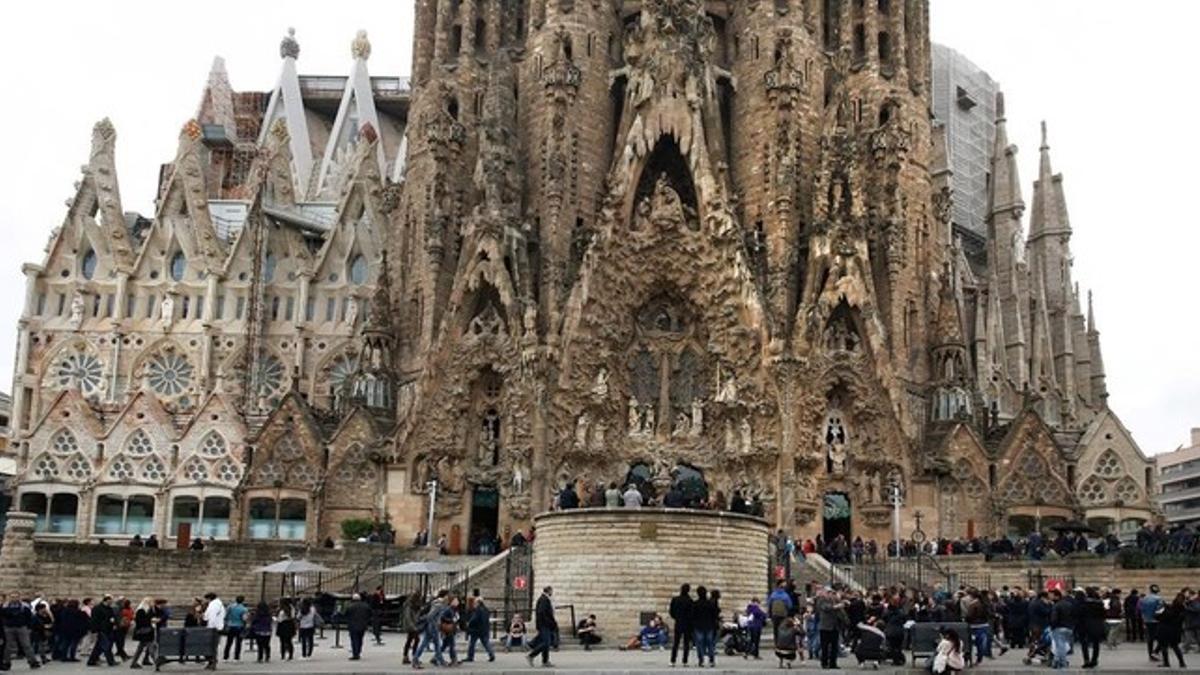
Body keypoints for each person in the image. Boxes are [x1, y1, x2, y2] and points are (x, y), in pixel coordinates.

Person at [2, 593, 42, 670]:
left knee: (27, 645)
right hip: (9, 627)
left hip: (22, 627)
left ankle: (32, 661)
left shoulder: (24, 606)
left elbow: (29, 617)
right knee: (8, 646)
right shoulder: (5, 606)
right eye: (12, 597)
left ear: (19, 597)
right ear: (10, 598)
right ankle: (7, 662)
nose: (14, 599)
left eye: (16, 597)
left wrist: (28, 627)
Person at [412, 590, 448, 669]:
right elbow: (430, 616)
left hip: (431, 626)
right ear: (444, 596)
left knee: (430, 644)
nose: (448, 597)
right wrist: (435, 624)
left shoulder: (437, 603)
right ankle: (440, 660)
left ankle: (416, 659)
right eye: (447, 595)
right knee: (434, 644)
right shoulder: (439, 605)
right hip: (433, 627)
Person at [527, 587, 557, 667]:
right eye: (551, 591)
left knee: (546, 643)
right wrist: (550, 622)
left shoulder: (544, 599)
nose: (552, 593)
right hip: (544, 625)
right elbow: (542, 613)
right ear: (549, 591)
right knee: (546, 642)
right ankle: (531, 655)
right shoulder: (544, 600)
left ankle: (545, 661)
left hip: (545, 625)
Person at [815, 587, 845, 669]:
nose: (830, 594)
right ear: (824, 593)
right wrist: (836, 606)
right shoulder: (821, 600)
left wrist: (840, 602)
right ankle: (824, 663)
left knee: (834, 646)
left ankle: (833, 663)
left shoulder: (834, 600)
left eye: (831, 593)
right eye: (828, 592)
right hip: (825, 626)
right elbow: (826, 608)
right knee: (825, 646)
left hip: (834, 626)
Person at [86, 595, 118, 667]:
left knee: (99, 646)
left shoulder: (109, 608)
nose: (112, 602)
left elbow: (113, 617)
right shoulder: (97, 608)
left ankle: (92, 660)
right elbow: (94, 620)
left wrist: (114, 624)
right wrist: (95, 629)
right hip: (101, 629)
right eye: (111, 601)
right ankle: (111, 661)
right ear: (106, 600)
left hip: (108, 629)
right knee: (106, 645)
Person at [1158, 592, 1187, 668]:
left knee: (1164, 646)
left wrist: (1164, 610)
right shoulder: (1183, 608)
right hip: (1175, 630)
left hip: (1166, 629)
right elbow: (1180, 620)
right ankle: (1182, 663)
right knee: (1175, 646)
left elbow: (1163, 617)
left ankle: (1166, 663)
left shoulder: (1172, 607)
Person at [692, 585, 719, 668]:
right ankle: (711, 660)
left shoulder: (695, 604)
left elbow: (692, 615)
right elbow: (715, 614)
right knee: (710, 644)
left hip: (698, 626)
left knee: (699, 644)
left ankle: (701, 660)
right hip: (709, 626)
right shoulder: (710, 604)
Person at [1049, 588, 1075, 669]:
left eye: (1052, 595)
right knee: (1062, 646)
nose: (1050, 597)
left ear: (1057, 596)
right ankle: (1056, 661)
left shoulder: (1056, 606)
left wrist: (1052, 626)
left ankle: (1062, 662)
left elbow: (1054, 618)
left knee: (1060, 647)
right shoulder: (1069, 604)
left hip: (1059, 627)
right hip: (1069, 627)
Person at [465, 593, 495, 662]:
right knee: (486, 643)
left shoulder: (478, 610)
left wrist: (469, 624)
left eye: (475, 602)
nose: (474, 603)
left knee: (472, 643)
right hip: (484, 629)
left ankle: (470, 657)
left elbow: (475, 619)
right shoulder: (485, 609)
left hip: (476, 629)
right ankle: (491, 654)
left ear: (478, 602)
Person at [668, 584, 694, 666]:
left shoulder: (675, 599)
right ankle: (685, 661)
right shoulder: (690, 601)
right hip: (687, 624)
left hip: (678, 622)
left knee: (676, 643)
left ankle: (673, 660)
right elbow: (692, 613)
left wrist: (676, 617)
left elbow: (671, 612)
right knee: (686, 643)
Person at [344, 592, 373, 661]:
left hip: (353, 625)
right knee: (360, 639)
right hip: (363, 625)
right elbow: (370, 614)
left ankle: (355, 654)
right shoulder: (365, 606)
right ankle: (358, 651)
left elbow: (346, 614)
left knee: (354, 640)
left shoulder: (350, 606)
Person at [129, 597, 155, 669]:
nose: (151, 604)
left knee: (140, 648)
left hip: (147, 631)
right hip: (144, 632)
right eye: (150, 602)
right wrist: (151, 620)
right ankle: (156, 661)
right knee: (150, 647)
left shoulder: (148, 610)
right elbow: (142, 621)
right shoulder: (141, 611)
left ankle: (133, 663)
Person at [1143, 584, 1166, 661]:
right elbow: (1160, 610)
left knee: (1150, 638)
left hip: (1147, 620)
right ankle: (1156, 652)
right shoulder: (1159, 599)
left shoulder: (1145, 598)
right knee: (1161, 638)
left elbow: (1142, 610)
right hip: (1156, 620)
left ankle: (1150, 655)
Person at [223, 594, 247, 661]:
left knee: (229, 642)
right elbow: (244, 618)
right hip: (239, 626)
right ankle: (236, 657)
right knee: (238, 643)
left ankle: (225, 657)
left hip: (230, 625)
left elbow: (226, 616)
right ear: (243, 601)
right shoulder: (243, 609)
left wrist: (226, 622)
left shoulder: (230, 607)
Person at [401, 591, 423, 664]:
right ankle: (414, 656)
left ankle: (406, 656)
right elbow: (408, 617)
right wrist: (413, 626)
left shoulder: (416, 605)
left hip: (413, 624)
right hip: (410, 625)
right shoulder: (409, 605)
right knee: (416, 639)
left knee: (409, 640)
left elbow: (417, 615)